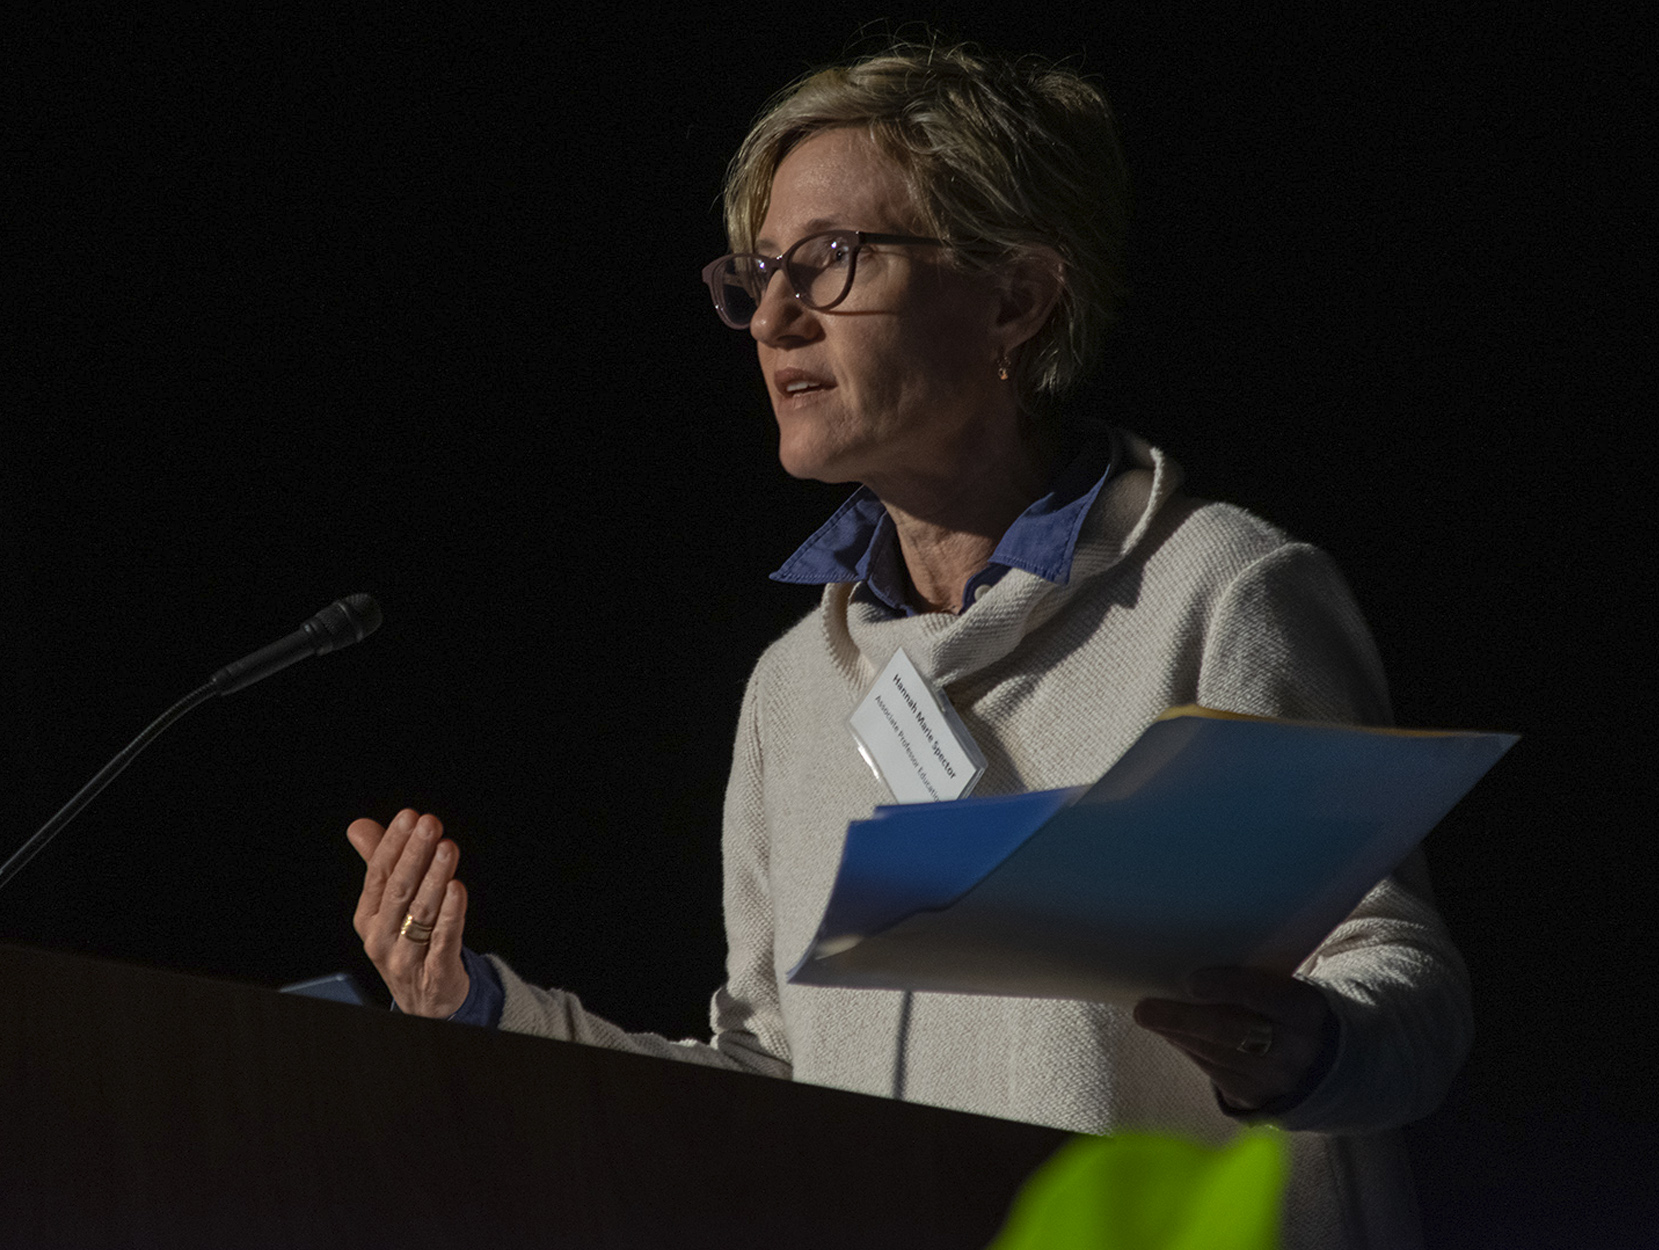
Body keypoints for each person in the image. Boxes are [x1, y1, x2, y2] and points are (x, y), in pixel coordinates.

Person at [346, 40, 1469, 1248]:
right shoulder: (792, 688)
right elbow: (768, 1078)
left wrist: (1306, 1047)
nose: (772, 317)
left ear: (1014, 298)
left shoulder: (1220, 590)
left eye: (829, 261)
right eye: (760, 272)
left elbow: (1403, 987)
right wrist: (485, 1013)